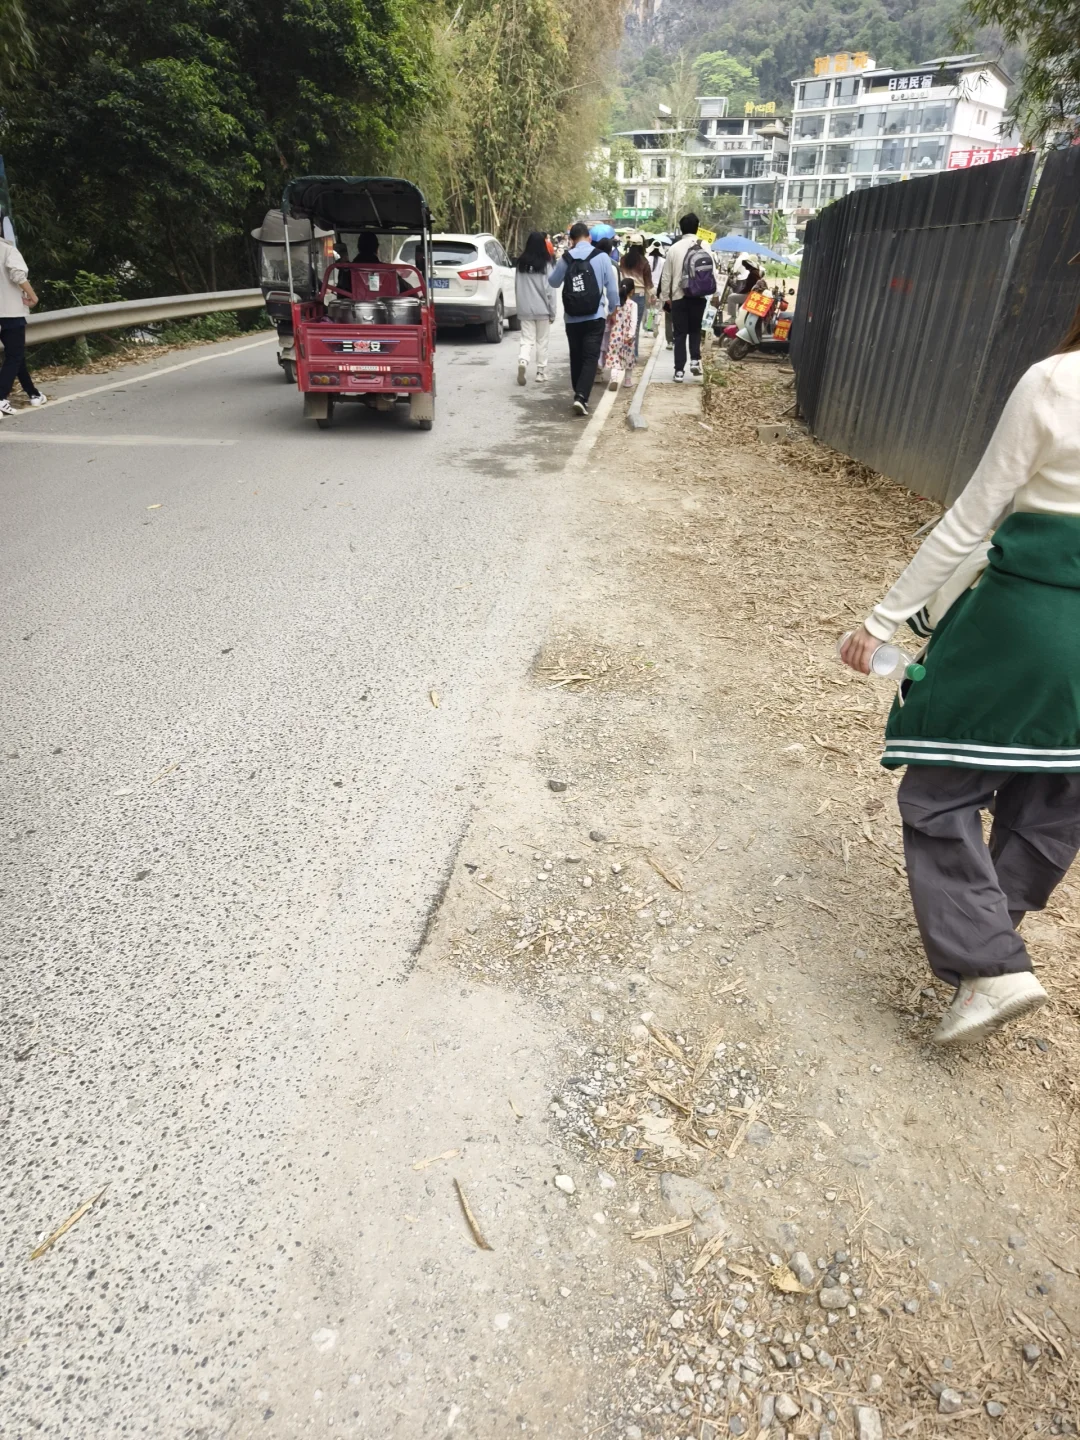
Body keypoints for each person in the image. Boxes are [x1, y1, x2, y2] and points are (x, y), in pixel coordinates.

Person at [840, 305, 1080, 1047]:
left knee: (939, 789)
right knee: (1052, 799)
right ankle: (989, 956)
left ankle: (989, 966)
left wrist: (885, 621)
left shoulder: (1054, 383)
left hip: (1028, 624)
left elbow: (973, 521)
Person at [548, 221, 619, 417]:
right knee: (590, 357)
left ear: (571, 240)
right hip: (595, 316)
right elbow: (612, 288)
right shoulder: (602, 257)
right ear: (589, 237)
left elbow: (553, 282)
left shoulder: (566, 258)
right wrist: (613, 308)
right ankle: (581, 396)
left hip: (572, 318)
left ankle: (578, 393)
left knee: (576, 356)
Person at [658, 212, 715, 381]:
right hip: (699, 295)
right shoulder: (705, 245)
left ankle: (679, 371)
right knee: (695, 330)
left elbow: (666, 276)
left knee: (680, 334)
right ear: (697, 228)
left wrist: (665, 297)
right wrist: (715, 293)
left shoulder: (674, 248)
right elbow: (712, 271)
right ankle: (695, 361)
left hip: (678, 296)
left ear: (681, 229)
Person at [0, 234, 46, 415]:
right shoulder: (7, 249)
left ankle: (33, 394)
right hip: (10, 312)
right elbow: (18, 275)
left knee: (16, 355)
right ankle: (1, 397)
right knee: (14, 356)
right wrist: (33, 296)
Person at [514, 230, 556, 385]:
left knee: (526, 339)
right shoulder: (546, 265)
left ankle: (523, 361)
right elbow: (550, 290)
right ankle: (540, 372)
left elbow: (517, 286)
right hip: (542, 310)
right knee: (542, 341)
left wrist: (520, 308)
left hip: (525, 309)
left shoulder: (520, 264)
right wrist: (553, 312)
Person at [620, 238, 653, 358]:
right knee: (636, 325)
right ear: (641, 246)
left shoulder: (623, 259)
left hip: (624, 294)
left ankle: (622, 352)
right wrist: (652, 296)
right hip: (639, 295)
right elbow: (648, 283)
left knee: (624, 323)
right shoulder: (644, 261)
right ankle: (633, 354)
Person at [605, 278, 639, 391]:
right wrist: (631, 335)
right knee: (628, 357)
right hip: (626, 336)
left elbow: (609, 317)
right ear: (632, 291)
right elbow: (634, 321)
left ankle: (614, 378)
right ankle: (628, 381)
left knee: (614, 357)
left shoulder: (615, 304)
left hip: (615, 334)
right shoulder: (633, 305)